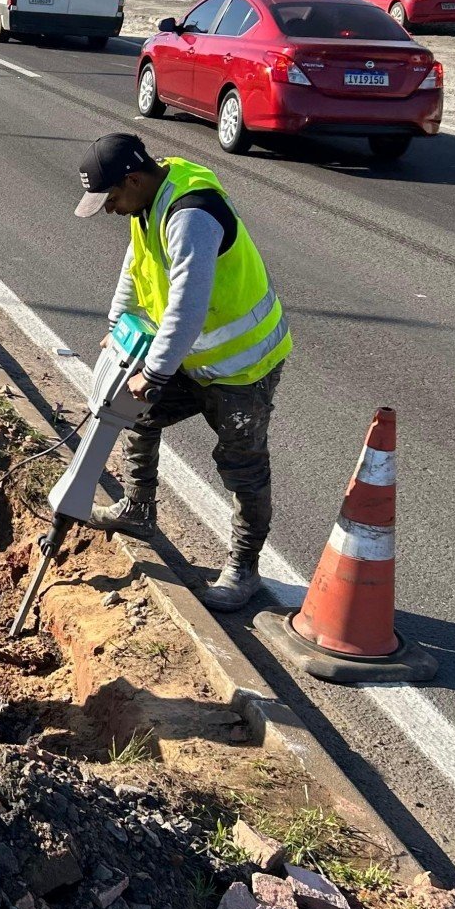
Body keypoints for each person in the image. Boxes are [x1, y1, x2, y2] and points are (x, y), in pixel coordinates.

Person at [73, 134, 292, 610]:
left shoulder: (191, 213)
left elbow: (187, 307)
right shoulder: (147, 200)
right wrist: (117, 327)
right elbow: (136, 267)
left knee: (242, 465)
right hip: (189, 358)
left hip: (242, 366)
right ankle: (138, 509)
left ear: (132, 179)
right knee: (132, 413)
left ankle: (244, 569)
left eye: (110, 198)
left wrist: (152, 374)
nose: (109, 209)